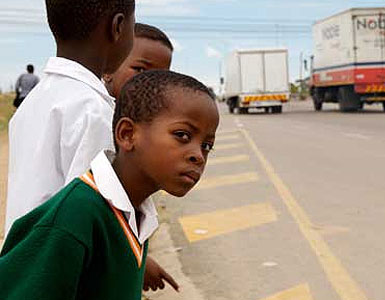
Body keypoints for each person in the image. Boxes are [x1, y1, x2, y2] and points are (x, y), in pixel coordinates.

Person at [0, 70, 220, 300]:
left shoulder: (135, 212)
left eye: (207, 145)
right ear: (127, 134)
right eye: (182, 135)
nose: (198, 155)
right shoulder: (73, 218)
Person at [5, 0, 135, 233]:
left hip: (28, 258)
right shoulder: (94, 111)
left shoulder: (33, 102)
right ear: (117, 27)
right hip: (63, 265)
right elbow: (93, 224)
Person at [104, 22, 178, 292]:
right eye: (140, 70)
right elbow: (101, 207)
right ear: (108, 67)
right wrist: (138, 259)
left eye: (162, 77)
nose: (149, 84)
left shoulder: (126, 120)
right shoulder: (100, 119)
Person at [104, 22, 174, 99]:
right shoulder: (93, 106)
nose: (153, 82)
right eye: (140, 69)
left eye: (162, 76)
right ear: (107, 72)